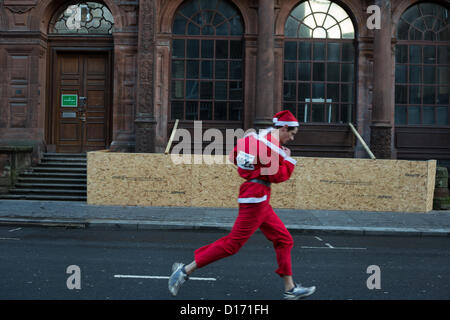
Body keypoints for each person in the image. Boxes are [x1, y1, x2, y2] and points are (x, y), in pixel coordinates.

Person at [168, 110, 316, 300]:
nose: (292, 138)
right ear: (284, 128)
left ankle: (290, 288)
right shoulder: (271, 147)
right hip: (256, 199)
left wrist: (254, 169)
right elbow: (279, 176)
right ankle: (184, 271)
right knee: (232, 245)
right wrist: (287, 159)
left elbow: (234, 158)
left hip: (257, 196)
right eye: (292, 133)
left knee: (284, 239)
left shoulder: (253, 140)